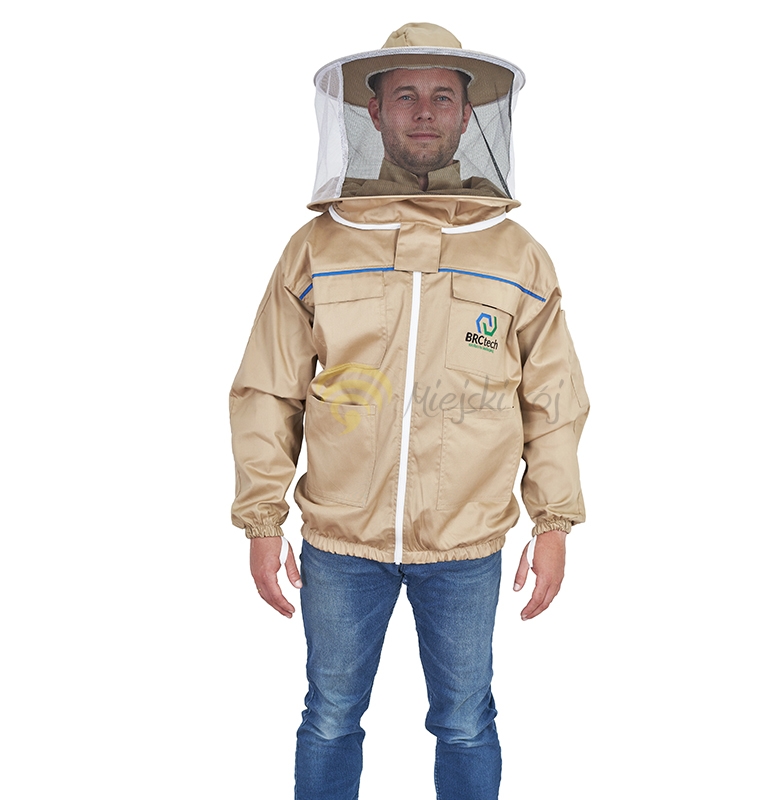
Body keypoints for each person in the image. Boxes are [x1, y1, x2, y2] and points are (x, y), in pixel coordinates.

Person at [230, 22, 589, 800]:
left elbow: (553, 399)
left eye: (441, 97)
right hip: (339, 541)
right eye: (405, 96)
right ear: (373, 112)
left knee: (465, 722)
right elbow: (268, 388)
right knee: (330, 718)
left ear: (468, 114)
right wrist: (261, 521)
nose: (424, 112)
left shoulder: (516, 255)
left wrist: (554, 522)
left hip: (465, 543)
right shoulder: (318, 248)